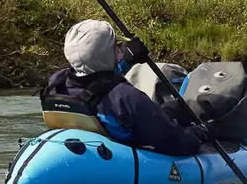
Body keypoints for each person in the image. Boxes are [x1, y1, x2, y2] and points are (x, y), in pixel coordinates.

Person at [41, 19, 207, 156]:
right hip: (130, 146)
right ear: (107, 53)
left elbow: (93, 76)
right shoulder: (126, 97)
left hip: (96, 143)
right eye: (116, 48)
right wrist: (199, 133)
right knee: (188, 116)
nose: (119, 51)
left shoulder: (56, 84)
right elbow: (179, 144)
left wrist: (128, 60)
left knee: (175, 108)